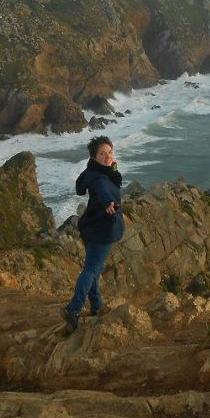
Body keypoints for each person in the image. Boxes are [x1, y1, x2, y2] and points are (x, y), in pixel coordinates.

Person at [63, 135, 124, 333]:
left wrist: (113, 167)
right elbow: (103, 188)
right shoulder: (99, 177)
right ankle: (74, 308)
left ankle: (96, 305)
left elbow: (109, 178)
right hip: (101, 230)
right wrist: (108, 202)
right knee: (91, 269)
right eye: (102, 154)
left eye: (109, 152)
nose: (107, 156)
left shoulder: (95, 171)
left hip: (92, 226)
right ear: (94, 157)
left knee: (93, 269)